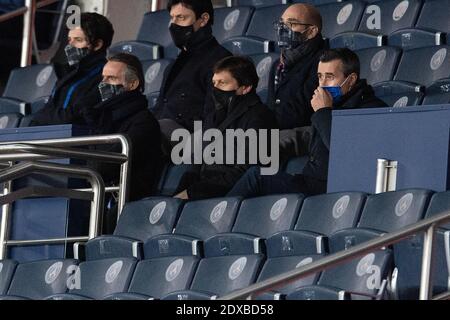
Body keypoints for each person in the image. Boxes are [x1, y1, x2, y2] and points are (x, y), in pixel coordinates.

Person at [228, 48, 388, 198]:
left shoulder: (371, 109)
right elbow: (306, 137)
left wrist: (323, 112)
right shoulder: (333, 105)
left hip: (333, 188)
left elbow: (347, 152)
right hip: (310, 181)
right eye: (319, 76)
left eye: (330, 77)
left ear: (351, 79)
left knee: (256, 177)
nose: (322, 84)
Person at [174, 56, 278, 200]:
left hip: (230, 197)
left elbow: (245, 171)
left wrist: (193, 193)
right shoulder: (213, 116)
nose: (215, 89)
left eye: (222, 83)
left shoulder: (260, 117)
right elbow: (197, 163)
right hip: (204, 193)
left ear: (245, 87)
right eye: (214, 83)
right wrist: (179, 196)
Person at [83, 53, 162, 202]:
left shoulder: (143, 122)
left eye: (112, 78)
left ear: (132, 84)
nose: (103, 84)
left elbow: (104, 167)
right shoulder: (102, 120)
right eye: (103, 78)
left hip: (127, 207)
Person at [153, 0, 232, 138]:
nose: (174, 24)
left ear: (203, 19)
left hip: (192, 145)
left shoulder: (221, 60)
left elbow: (214, 118)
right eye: (172, 18)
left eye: (181, 17)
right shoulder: (175, 64)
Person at [30, 12, 114, 126]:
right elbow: (39, 118)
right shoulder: (67, 74)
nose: (70, 46)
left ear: (98, 44)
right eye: (70, 40)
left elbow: (72, 118)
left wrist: (41, 116)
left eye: (78, 40)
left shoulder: (107, 76)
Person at [270, 3, 327, 130]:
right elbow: (271, 105)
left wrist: (262, 123)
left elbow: (303, 110)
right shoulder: (277, 64)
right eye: (281, 24)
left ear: (312, 31)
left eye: (291, 24)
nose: (282, 29)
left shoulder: (324, 62)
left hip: (306, 131)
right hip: (276, 129)